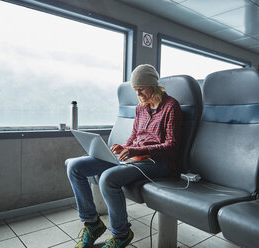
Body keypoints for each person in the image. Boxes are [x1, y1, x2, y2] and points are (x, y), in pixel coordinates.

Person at [65, 64, 182, 248]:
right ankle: (92, 224)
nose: (139, 94)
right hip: (135, 157)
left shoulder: (171, 107)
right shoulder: (140, 108)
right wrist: (125, 147)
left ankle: (121, 234)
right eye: (136, 90)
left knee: (108, 178)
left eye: (141, 89)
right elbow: (135, 136)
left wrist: (137, 151)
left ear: (153, 85)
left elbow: (172, 146)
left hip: (158, 162)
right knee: (75, 167)